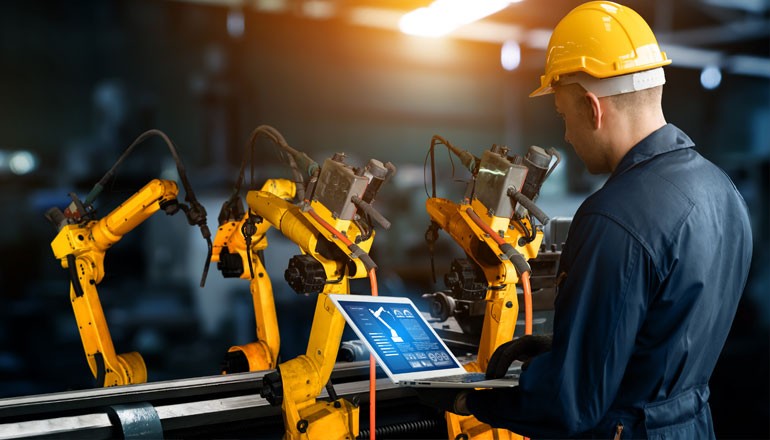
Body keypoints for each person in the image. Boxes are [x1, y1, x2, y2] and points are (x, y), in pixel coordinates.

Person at [417, 2, 753, 438]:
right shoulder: (721, 190)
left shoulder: (612, 217)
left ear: (593, 109)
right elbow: (662, 335)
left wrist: (470, 399)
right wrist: (565, 350)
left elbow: (572, 404)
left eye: (564, 116)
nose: (566, 135)